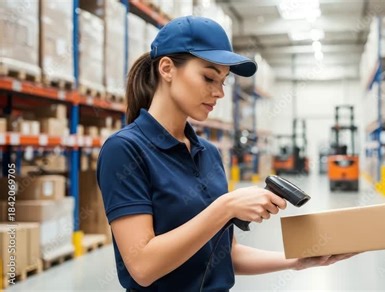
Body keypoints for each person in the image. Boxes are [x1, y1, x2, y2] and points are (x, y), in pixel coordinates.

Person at [97, 16, 358, 292]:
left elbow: (224, 254)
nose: (219, 92)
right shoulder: (125, 150)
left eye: (223, 81)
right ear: (167, 69)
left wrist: (297, 260)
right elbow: (142, 266)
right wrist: (226, 208)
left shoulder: (207, 153)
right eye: (209, 77)